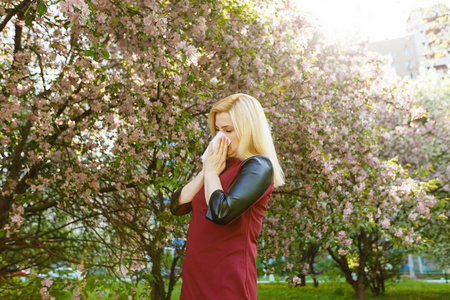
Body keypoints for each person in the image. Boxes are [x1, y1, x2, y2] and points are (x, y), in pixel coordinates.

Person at [170, 93, 285, 300]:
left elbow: (221, 212)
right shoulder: (218, 166)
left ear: (248, 129)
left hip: (227, 279)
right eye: (216, 130)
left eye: (228, 131)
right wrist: (207, 169)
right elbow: (178, 205)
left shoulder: (258, 166)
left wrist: (212, 173)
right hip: (196, 275)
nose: (219, 138)